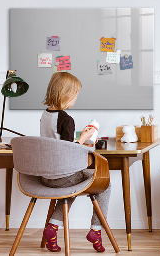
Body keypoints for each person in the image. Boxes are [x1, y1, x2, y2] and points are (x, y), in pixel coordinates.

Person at [40, 72, 111, 253]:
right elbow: (68, 151)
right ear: (66, 95)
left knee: (70, 188)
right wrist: (85, 138)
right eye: (75, 96)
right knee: (105, 184)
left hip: (46, 176)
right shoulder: (66, 119)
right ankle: (96, 230)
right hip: (63, 176)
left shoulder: (45, 115)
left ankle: (52, 228)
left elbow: (57, 144)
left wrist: (81, 140)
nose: (75, 100)